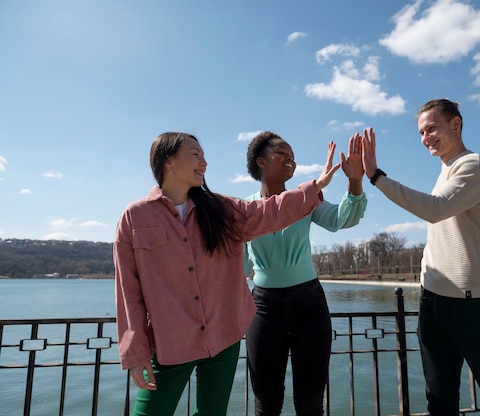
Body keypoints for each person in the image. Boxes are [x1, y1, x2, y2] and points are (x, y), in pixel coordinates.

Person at [114, 132, 341, 416]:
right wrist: (135, 353)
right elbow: (128, 291)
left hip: (223, 339)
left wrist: (315, 186)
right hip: (170, 343)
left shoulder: (223, 210)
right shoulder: (135, 217)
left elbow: (269, 211)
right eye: (195, 155)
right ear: (169, 161)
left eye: (204, 156)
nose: (204, 163)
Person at [361, 99, 480, 416]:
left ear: (456, 124)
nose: (426, 138)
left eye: (432, 128)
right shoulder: (445, 172)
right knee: (440, 402)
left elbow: (435, 209)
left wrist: (376, 176)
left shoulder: (475, 166)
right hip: (434, 302)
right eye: (422, 132)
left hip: (474, 304)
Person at [244, 131, 367, 415]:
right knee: (266, 402)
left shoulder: (305, 199)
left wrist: (355, 181)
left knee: (311, 404)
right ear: (260, 161)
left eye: (293, 157)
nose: (290, 160)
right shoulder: (245, 208)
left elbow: (341, 219)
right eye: (282, 154)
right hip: (262, 307)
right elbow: (236, 268)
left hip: (308, 305)